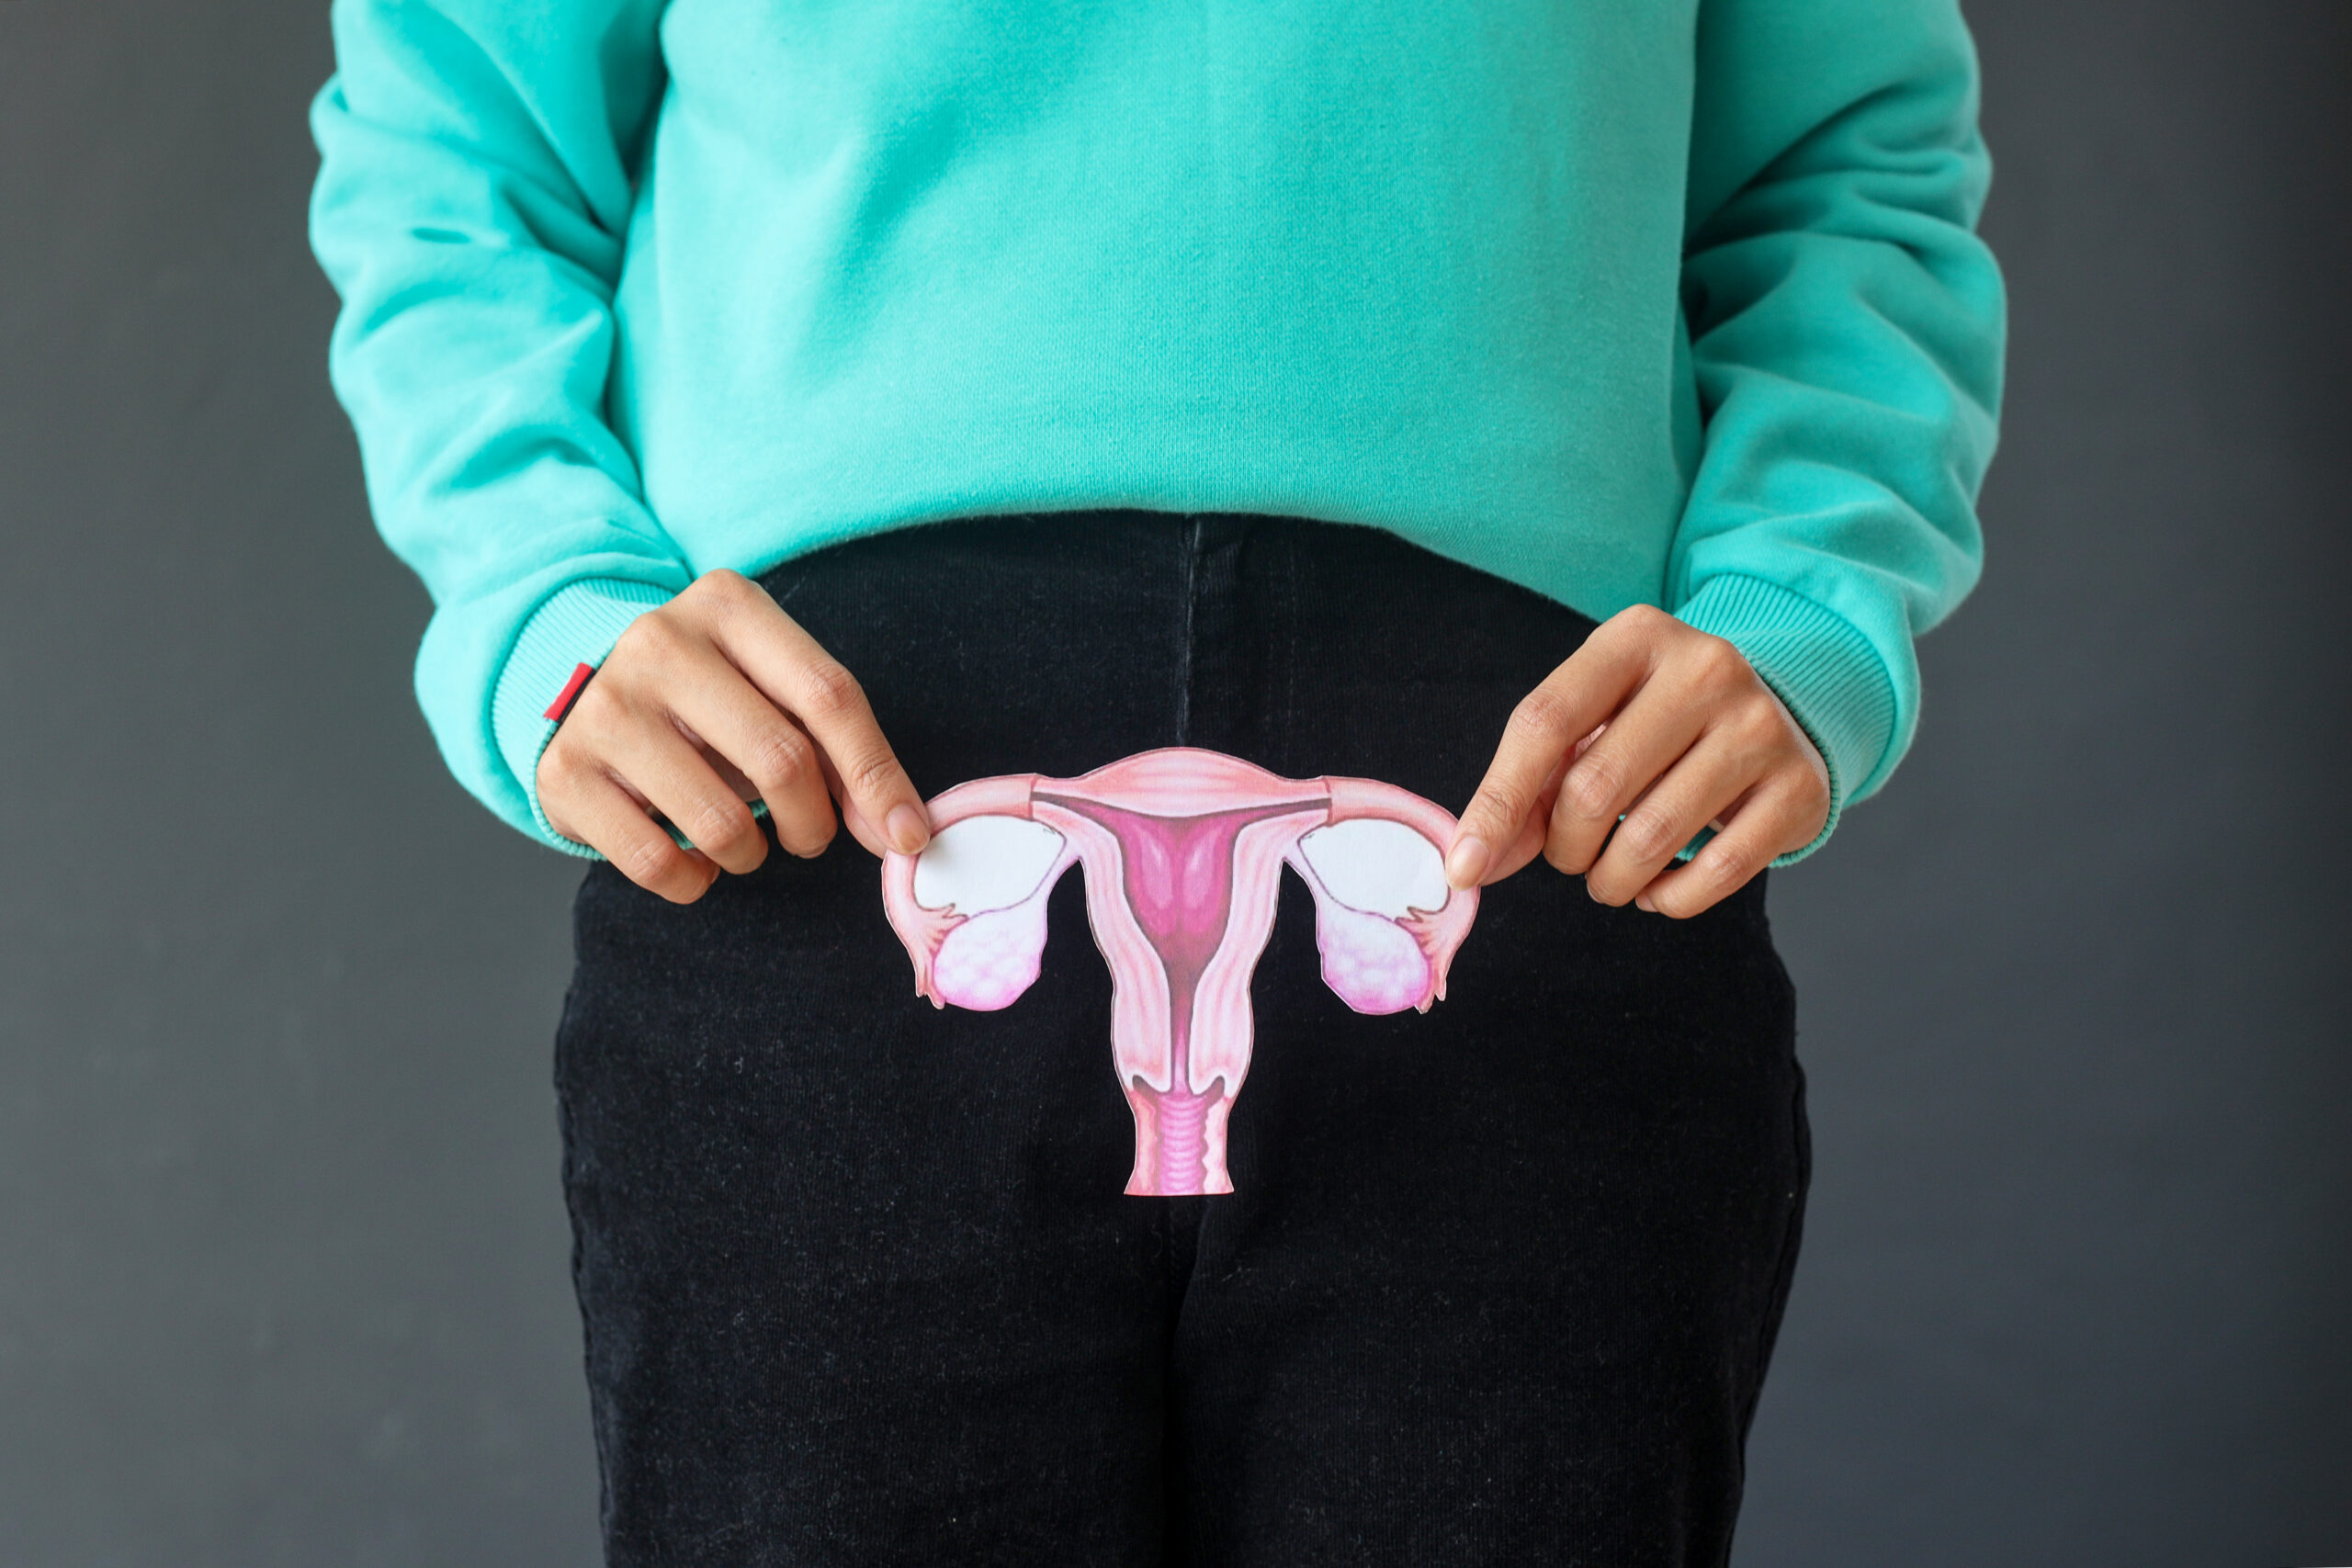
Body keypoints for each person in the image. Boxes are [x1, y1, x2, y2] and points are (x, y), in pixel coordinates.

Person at [310, 0, 2001, 1560]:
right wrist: (548, 598)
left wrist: (1801, 607)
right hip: (825, 825)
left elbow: (1850, 163)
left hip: (1538, 818)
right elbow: (458, 137)